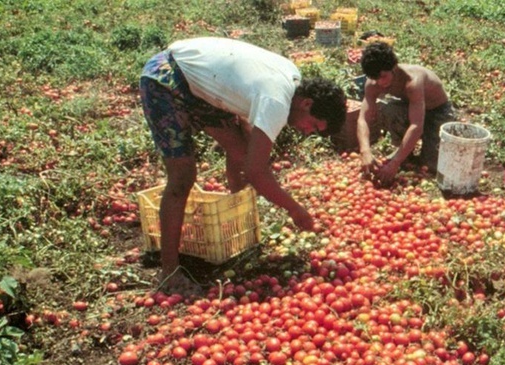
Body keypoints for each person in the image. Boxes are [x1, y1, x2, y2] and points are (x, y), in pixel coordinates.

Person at [140, 37, 346, 294]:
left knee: (240, 149)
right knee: (183, 176)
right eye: (313, 125)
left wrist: (241, 180)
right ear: (307, 104)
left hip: (201, 86)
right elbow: (256, 171)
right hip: (167, 78)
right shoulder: (277, 102)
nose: (307, 132)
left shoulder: (292, 79)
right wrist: (295, 209)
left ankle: (238, 223)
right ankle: (169, 272)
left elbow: (247, 144)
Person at [356, 42, 457, 186]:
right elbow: (363, 119)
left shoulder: (412, 82)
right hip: (411, 108)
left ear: (393, 68)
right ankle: (405, 154)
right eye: (374, 78)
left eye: (383, 76)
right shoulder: (373, 84)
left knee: (431, 165)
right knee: (389, 110)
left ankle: (408, 153)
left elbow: (416, 125)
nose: (379, 82)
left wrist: (395, 163)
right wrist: (365, 150)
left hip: (438, 112)